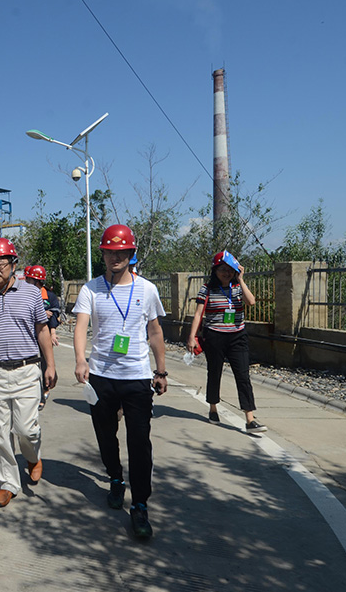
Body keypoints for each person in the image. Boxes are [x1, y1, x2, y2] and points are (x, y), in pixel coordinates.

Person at [73, 224, 168, 539]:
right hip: (101, 376)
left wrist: (161, 370)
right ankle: (115, 478)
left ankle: (140, 504)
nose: (116, 257)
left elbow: (155, 331)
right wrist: (81, 359)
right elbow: (81, 326)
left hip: (137, 377)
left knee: (139, 442)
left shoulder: (147, 289)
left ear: (131, 253)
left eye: (122, 252)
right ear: (102, 254)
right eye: (110, 252)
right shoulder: (91, 289)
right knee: (105, 434)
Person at [0, 239, 56, 508]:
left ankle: (32, 456)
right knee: (0, 433)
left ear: (13, 264)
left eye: (0, 263)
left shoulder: (31, 293)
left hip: (27, 371)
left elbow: (42, 330)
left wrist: (50, 365)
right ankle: (8, 482)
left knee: (26, 429)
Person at [187, 250, 267, 433]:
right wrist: (191, 337)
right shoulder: (207, 289)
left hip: (237, 336)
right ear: (215, 270)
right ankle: (213, 407)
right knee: (214, 373)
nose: (226, 273)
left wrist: (241, 280)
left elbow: (251, 302)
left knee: (243, 376)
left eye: (230, 269)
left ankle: (250, 419)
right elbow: (198, 314)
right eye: (222, 269)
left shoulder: (238, 287)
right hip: (214, 336)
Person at [24, 264, 61, 410]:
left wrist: (52, 333)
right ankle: (38, 396)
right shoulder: (25, 295)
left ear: (37, 281)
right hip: (29, 336)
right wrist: (41, 313)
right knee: (32, 366)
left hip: (44, 335)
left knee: (45, 364)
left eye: (29, 279)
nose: (27, 281)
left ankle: (46, 388)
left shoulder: (49, 297)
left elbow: (54, 316)